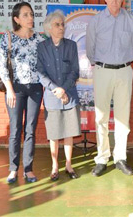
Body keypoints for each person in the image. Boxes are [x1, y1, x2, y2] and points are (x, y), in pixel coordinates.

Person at [86, 0, 133, 176]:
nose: (114, 2)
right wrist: (101, 64)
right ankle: (101, 158)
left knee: (122, 117)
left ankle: (120, 158)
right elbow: (90, 48)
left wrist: (122, 62)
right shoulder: (97, 21)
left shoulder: (131, 20)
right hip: (103, 70)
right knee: (101, 117)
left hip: (125, 70)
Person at [0, 2, 44, 183]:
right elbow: (1, 65)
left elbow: (45, 64)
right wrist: (9, 89)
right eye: (25, 15)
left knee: (30, 129)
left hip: (35, 89)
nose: (30, 18)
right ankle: (13, 169)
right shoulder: (8, 37)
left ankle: (28, 169)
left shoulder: (39, 38)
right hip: (15, 88)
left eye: (31, 14)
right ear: (16, 19)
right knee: (15, 129)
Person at [37, 10, 81, 181]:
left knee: (69, 132)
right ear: (49, 28)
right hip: (51, 97)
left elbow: (74, 71)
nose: (61, 27)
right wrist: (56, 89)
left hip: (69, 95)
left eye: (62, 24)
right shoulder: (41, 48)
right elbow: (40, 73)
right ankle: (55, 166)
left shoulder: (71, 46)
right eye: (57, 25)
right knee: (54, 134)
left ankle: (68, 165)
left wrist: (63, 89)